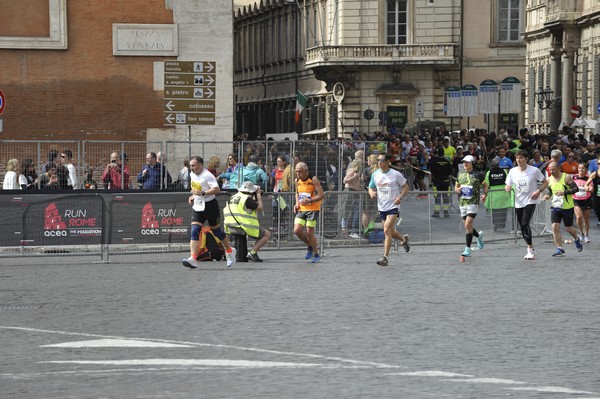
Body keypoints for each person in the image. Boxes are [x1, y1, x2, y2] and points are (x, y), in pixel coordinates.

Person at [182, 156, 236, 269]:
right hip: (198, 206)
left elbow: (216, 189)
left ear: (200, 165)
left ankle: (230, 251)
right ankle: (193, 259)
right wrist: (193, 195)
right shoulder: (192, 174)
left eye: (193, 165)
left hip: (210, 206)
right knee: (194, 231)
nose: (191, 167)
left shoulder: (208, 175)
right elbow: (196, 188)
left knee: (216, 232)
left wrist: (203, 193)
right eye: (190, 165)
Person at [368, 153, 410, 266]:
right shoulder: (375, 174)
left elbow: (406, 186)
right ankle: (403, 240)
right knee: (390, 231)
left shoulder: (395, 174)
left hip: (393, 206)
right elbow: (370, 186)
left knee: (386, 229)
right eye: (378, 160)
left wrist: (400, 197)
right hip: (382, 206)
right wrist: (371, 192)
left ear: (388, 162)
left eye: (381, 160)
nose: (379, 162)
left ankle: (385, 258)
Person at [504, 150, 548, 259]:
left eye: (521, 158)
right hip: (518, 201)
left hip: (531, 200)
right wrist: (507, 188)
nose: (518, 160)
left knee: (525, 223)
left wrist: (538, 191)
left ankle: (529, 249)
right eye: (517, 158)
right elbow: (507, 185)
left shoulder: (534, 170)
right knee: (522, 225)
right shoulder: (512, 171)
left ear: (526, 159)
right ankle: (531, 248)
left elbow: (545, 182)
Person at [223, 181, 272, 262]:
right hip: (242, 226)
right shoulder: (247, 199)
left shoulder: (233, 197)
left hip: (230, 226)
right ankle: (252, 252)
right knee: (267, 234)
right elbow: (260, 208)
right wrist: (258, 195)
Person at [543, 161, 583, 257]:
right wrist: (547, 196)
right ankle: (560, 248)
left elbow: (576, 189)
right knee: (555, 227)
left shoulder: (566, 177)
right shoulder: (549, 179)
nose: (551, 171)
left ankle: (577, 239)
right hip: (556, 207)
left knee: (568, 228)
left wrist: (564, 192)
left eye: (553, 169)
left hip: (567, 207)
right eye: (550, 170)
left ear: (558, 168)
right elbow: (550, 191)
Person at [454, 155, 488, 257]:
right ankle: (478, 237)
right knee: (467, 226)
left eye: (467, 162)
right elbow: (456, 186)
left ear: (472, 163)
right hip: (462, 202)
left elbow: (486, 184)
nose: (465, 164)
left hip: (473, 202)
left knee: (468, 224)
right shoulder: (460, 174)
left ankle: (467, 249)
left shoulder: (478, 174)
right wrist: (457, 190)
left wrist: (484, 194)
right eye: (464, 162)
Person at [293, 161, 325, 263]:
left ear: (306, 171)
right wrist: (296, 203)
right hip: (302, 209)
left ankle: (316, 254)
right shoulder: (296, 179)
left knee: (309, 233)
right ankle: (310, 245)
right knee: (297, 230)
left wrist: (310, 200)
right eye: (296, 172)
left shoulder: (313, 179)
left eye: (300, 172)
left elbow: (321, 195)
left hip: (313, 208)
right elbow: (297, 193)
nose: (298, 174)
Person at [485, 157, 512, 232]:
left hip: (493, 194)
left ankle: (496, 225)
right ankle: (502, 224)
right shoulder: (504, 171)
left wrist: (485, 193)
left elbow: (487, 183)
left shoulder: (489, 173)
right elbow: (508, 181)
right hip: (503, 194)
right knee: (503, 210)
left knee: (495, 211)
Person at [428, 147, 453, 218]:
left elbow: (432, 172)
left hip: (437, 181)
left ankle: (437, 212)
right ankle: (446, 212)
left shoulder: (434, 162)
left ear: (438, 153)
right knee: (446, 197)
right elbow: (450, 172)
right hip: (446, 181)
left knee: (437, 197)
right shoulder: (447, 162)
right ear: (444, 153)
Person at [573, 163, 592, 243]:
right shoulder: (573, 177)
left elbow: (591, 188)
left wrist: (589, 188)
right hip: (576, 200)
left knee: (586, 219)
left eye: (583, 168)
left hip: (586, 200)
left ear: (586, 170)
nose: (581, 169)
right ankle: (581, 234)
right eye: (579, 168)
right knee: (578, 217)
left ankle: (586, 234)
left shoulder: (588, 178)